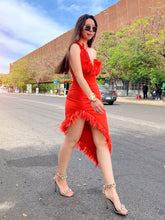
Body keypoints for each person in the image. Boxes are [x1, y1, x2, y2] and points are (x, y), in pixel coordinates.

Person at [54, 14, 128, 216]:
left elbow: (91, 76)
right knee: (72, 140)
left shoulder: (93, 50)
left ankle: (110, 189)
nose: (91, 30)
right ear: (80, 27)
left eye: (94, 28)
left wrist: (95, 98)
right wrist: (93, 98)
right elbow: (78, 75)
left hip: (93, 96)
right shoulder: (74, 48)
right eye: (87, 26)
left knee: (102, 141)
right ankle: (60, 177)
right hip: (79, 99)